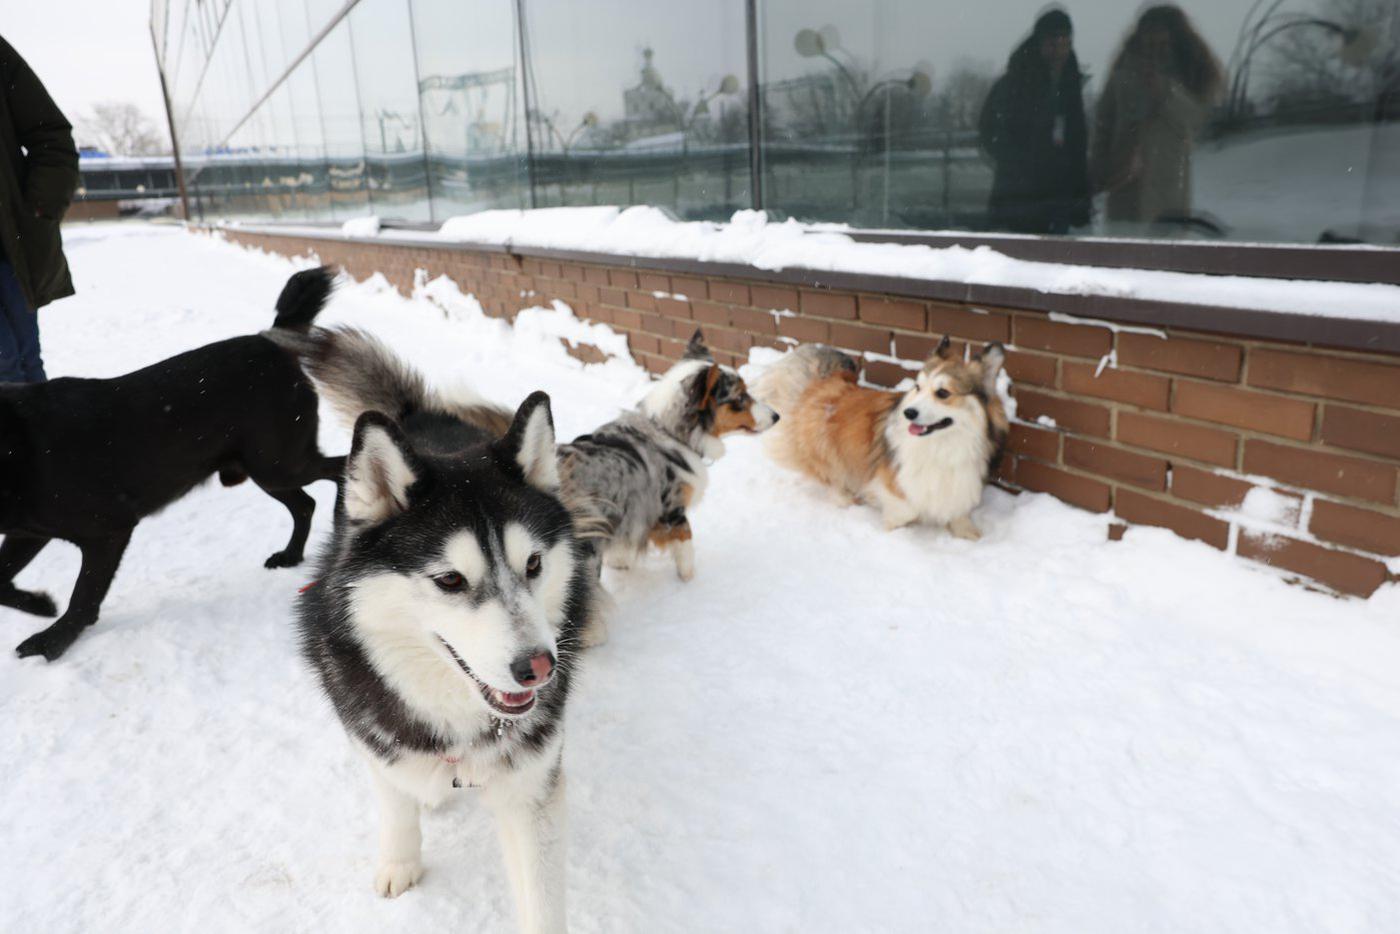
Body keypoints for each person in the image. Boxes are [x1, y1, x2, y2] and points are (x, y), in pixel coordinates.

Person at [1092, 5, 1224, 228]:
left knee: (1166, 252)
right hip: (1125, 184)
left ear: (1175, 35)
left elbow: (1196, 119)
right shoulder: (1123, 72)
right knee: (1124, 254)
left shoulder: (1191, 69)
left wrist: (1166, 90)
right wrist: (1100, 170)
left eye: (1161, 32)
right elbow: (1103, 125)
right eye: (1148, 32)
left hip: (1168, 186)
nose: (1153, 39)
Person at [0, 34, 80, 383]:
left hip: (9, 247)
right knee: (8, 368)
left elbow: (52, 136)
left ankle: (40, 439)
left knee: (25, 368)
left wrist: (39, 208)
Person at [978, 9, 1090, 235]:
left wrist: (1080, 199)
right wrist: (1020, 166)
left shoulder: (1070, 87)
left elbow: (1077, 146)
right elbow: (989, 132)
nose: (1058, 50)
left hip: (1058, 202)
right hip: (1019, 202)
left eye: (1064, 42)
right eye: (1052, 42)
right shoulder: (1013, 85)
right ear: (1039, 43)